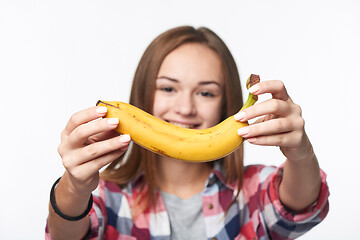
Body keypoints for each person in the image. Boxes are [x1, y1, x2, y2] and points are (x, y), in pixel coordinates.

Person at [45, 26, 329, 240]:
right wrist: (76, 186)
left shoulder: (252, 190)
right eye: (168, 88)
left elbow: (301, 206)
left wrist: (301, 154)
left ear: (225, 105)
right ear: (144, 95)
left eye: (206, 92)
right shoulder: (105, 196)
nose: (185, 107)